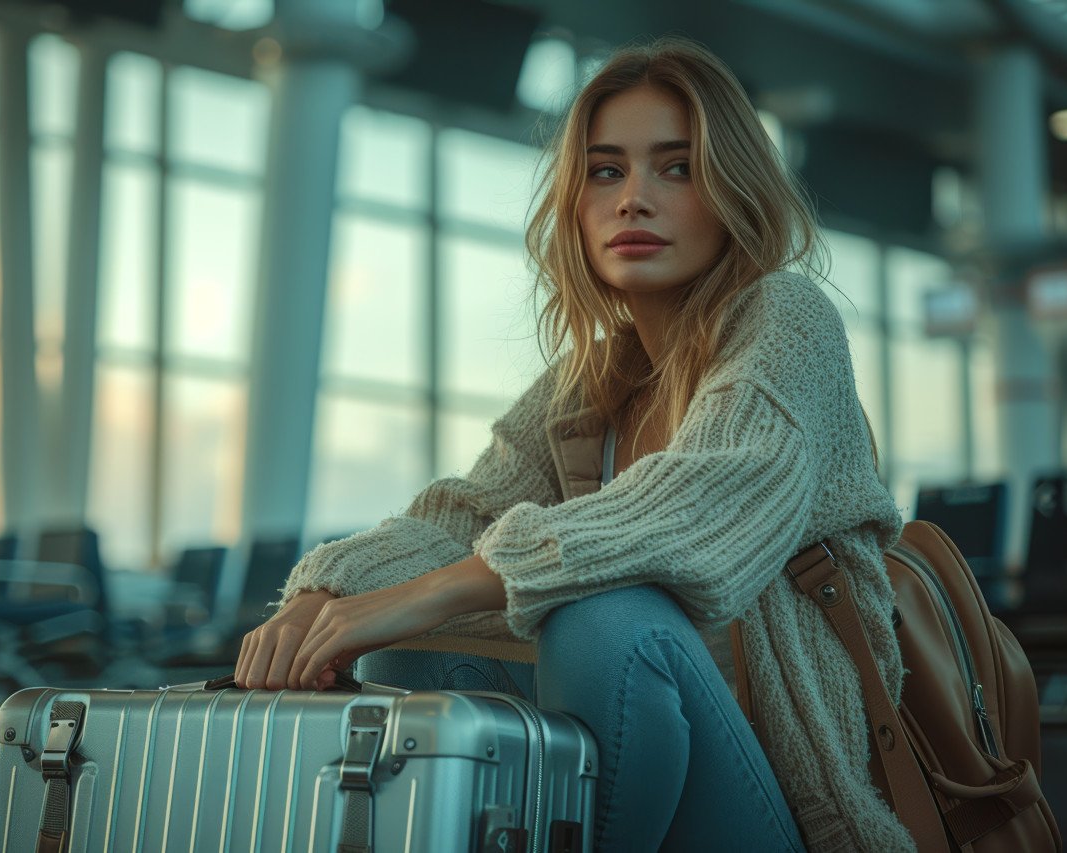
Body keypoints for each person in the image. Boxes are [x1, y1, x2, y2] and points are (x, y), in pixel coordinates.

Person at [234, 35, 913, 853]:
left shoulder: (787, 319)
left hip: (791, 810)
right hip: (652, 778)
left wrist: (437, 589)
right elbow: (459, 514)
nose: (633, 199)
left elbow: (697, 504)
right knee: (399, 655)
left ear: (733, 188)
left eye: (677, 166)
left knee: (603, 613)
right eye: (605, 171)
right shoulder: (591, 381)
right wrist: (330, 598)